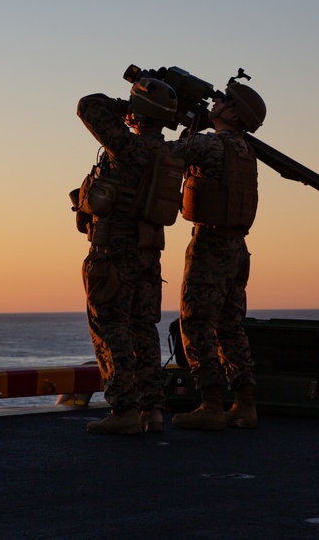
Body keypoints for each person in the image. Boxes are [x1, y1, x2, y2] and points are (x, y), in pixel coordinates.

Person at [74, 78, 181, 435]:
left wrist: (125, 106)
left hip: (113, 252)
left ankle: (123, 410)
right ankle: (151, 410)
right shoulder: (169, 154)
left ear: (139, 113)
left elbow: (87, 105)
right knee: (143, 328)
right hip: (148, 255)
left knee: (112, 328)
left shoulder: (129, 148)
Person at [168, 79, 267, 430]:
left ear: (234, 113)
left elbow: (165, 156)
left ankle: (210, 404)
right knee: (229, 326)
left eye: (224, 99)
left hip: (210, 244)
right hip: (237, 248)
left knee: (195, 322)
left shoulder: (211, 146)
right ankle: (244, 403)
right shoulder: (245, 151)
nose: (216, 102)